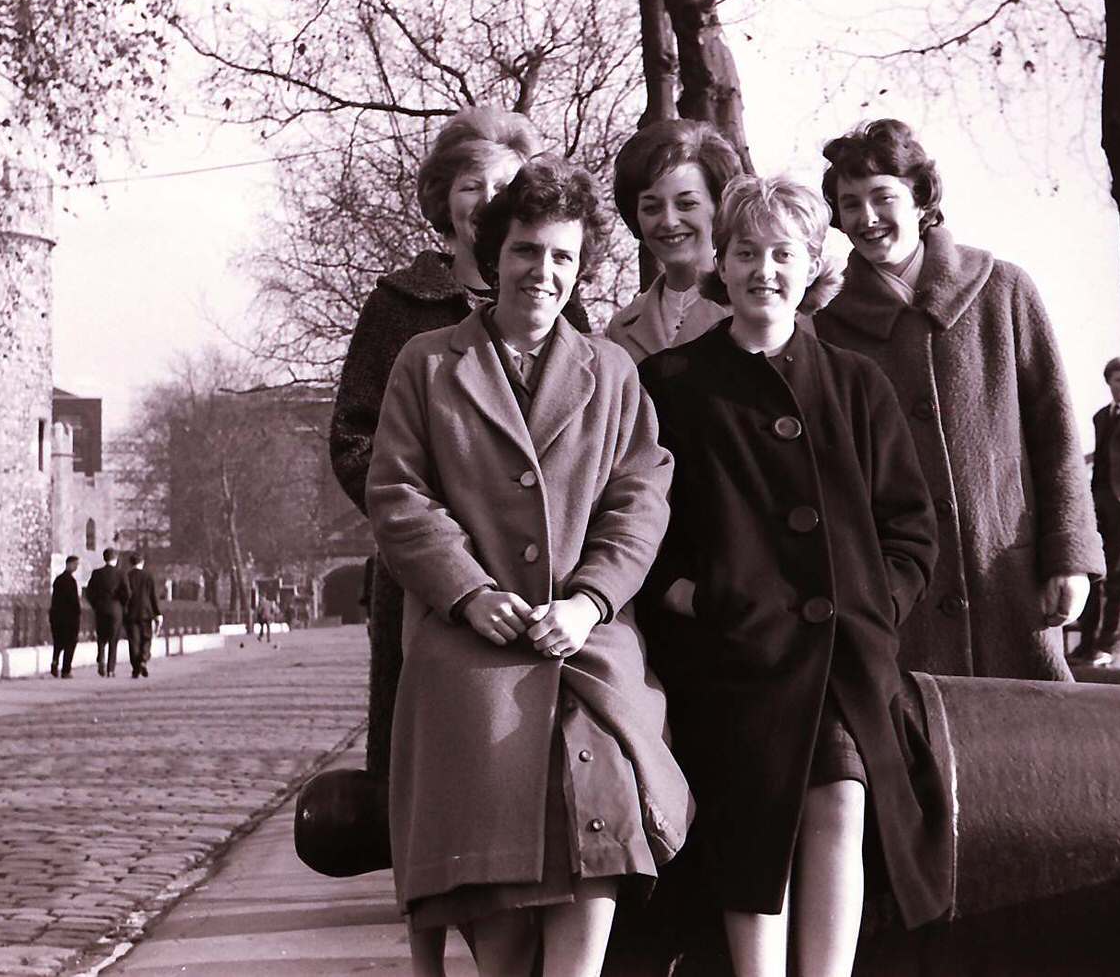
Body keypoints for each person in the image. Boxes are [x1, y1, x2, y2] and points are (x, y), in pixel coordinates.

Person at [366, 154, 690, 977]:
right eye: (526, 251)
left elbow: (640, 498)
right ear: (492, 252)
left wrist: (591, 601)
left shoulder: (612, 372)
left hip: (586, 659)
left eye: (562, 257)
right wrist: (468, 592)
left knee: (599, 849)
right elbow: (398, 493)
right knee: (502, 933)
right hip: (470, 660)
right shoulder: (428, 365)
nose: (542, 272)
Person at [640, 175, 948, 977]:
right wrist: (697, 601)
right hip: (731, 663)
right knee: (752, 822)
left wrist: (876, 603)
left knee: (842, 800)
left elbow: (910, 528)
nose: (763, 269)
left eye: (784, 253)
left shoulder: (855, 384)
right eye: (746, 252)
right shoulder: (672, 383)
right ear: (722, 261)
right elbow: (644, 529)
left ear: (813, 263)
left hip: (845, 659)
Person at [329, 108, 591, 789]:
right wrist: (445, 531)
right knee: (431, 757)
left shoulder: (564, 302)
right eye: (470, 184)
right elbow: (356, 437)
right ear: (444, 196)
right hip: (431, 570)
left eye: (503, 184)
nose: (486, 200)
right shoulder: (399, 304)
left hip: (542, 573)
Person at [812, 118, 1103, 681]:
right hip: (897, 599)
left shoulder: (1005, 290)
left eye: (882, 197)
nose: (866, 218)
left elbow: (1057, 434)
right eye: (850, 205)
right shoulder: (827, 329)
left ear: (921, 198)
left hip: (1010, 581)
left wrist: (1071, 557)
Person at [604, 119, 741, 362]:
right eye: (651, 207)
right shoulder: (620, 330)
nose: (668, 221)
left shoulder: (752, 305)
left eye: (686, 204)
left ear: (718, 206)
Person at [1070, 357, 1120, 668]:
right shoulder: (1101, 417)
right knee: (1095, 571)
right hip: (1099, 499)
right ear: (1109, 383)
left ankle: (1109, 646)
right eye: (1117, 380)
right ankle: (1087, 644)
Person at [84, 548, 131, 678]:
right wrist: (122, 605)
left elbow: (89, 592)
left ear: (104, 558)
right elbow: (127, 593)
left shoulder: (97, 573)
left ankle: (101, 658)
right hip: (116, 610)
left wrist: (95, 604)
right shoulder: (121, 574)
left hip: (100, 609)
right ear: (115, 559)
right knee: (113, 639)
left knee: (101, 636)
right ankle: (110, 669)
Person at [124, 552, 163, 679]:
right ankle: (144, 659)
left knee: (134, 641)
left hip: (131, 613)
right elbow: (153, 596)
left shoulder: (127, 576)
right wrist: (157, 613)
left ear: (131, 563)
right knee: (146, 638)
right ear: (142, 562)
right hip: (146, 612)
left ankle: (135, 668)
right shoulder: (148, 576)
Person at [49, 555, 81, 678]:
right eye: (75, 564)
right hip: (69, 618)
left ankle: (55, 661)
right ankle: (66, 670)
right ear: (69, 564)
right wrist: (77, 614)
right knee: (70, 643)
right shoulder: (71, 581)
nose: (76, 567)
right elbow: (74, 602)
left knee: (58, 642)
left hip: (56, 616)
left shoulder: (58, 580)